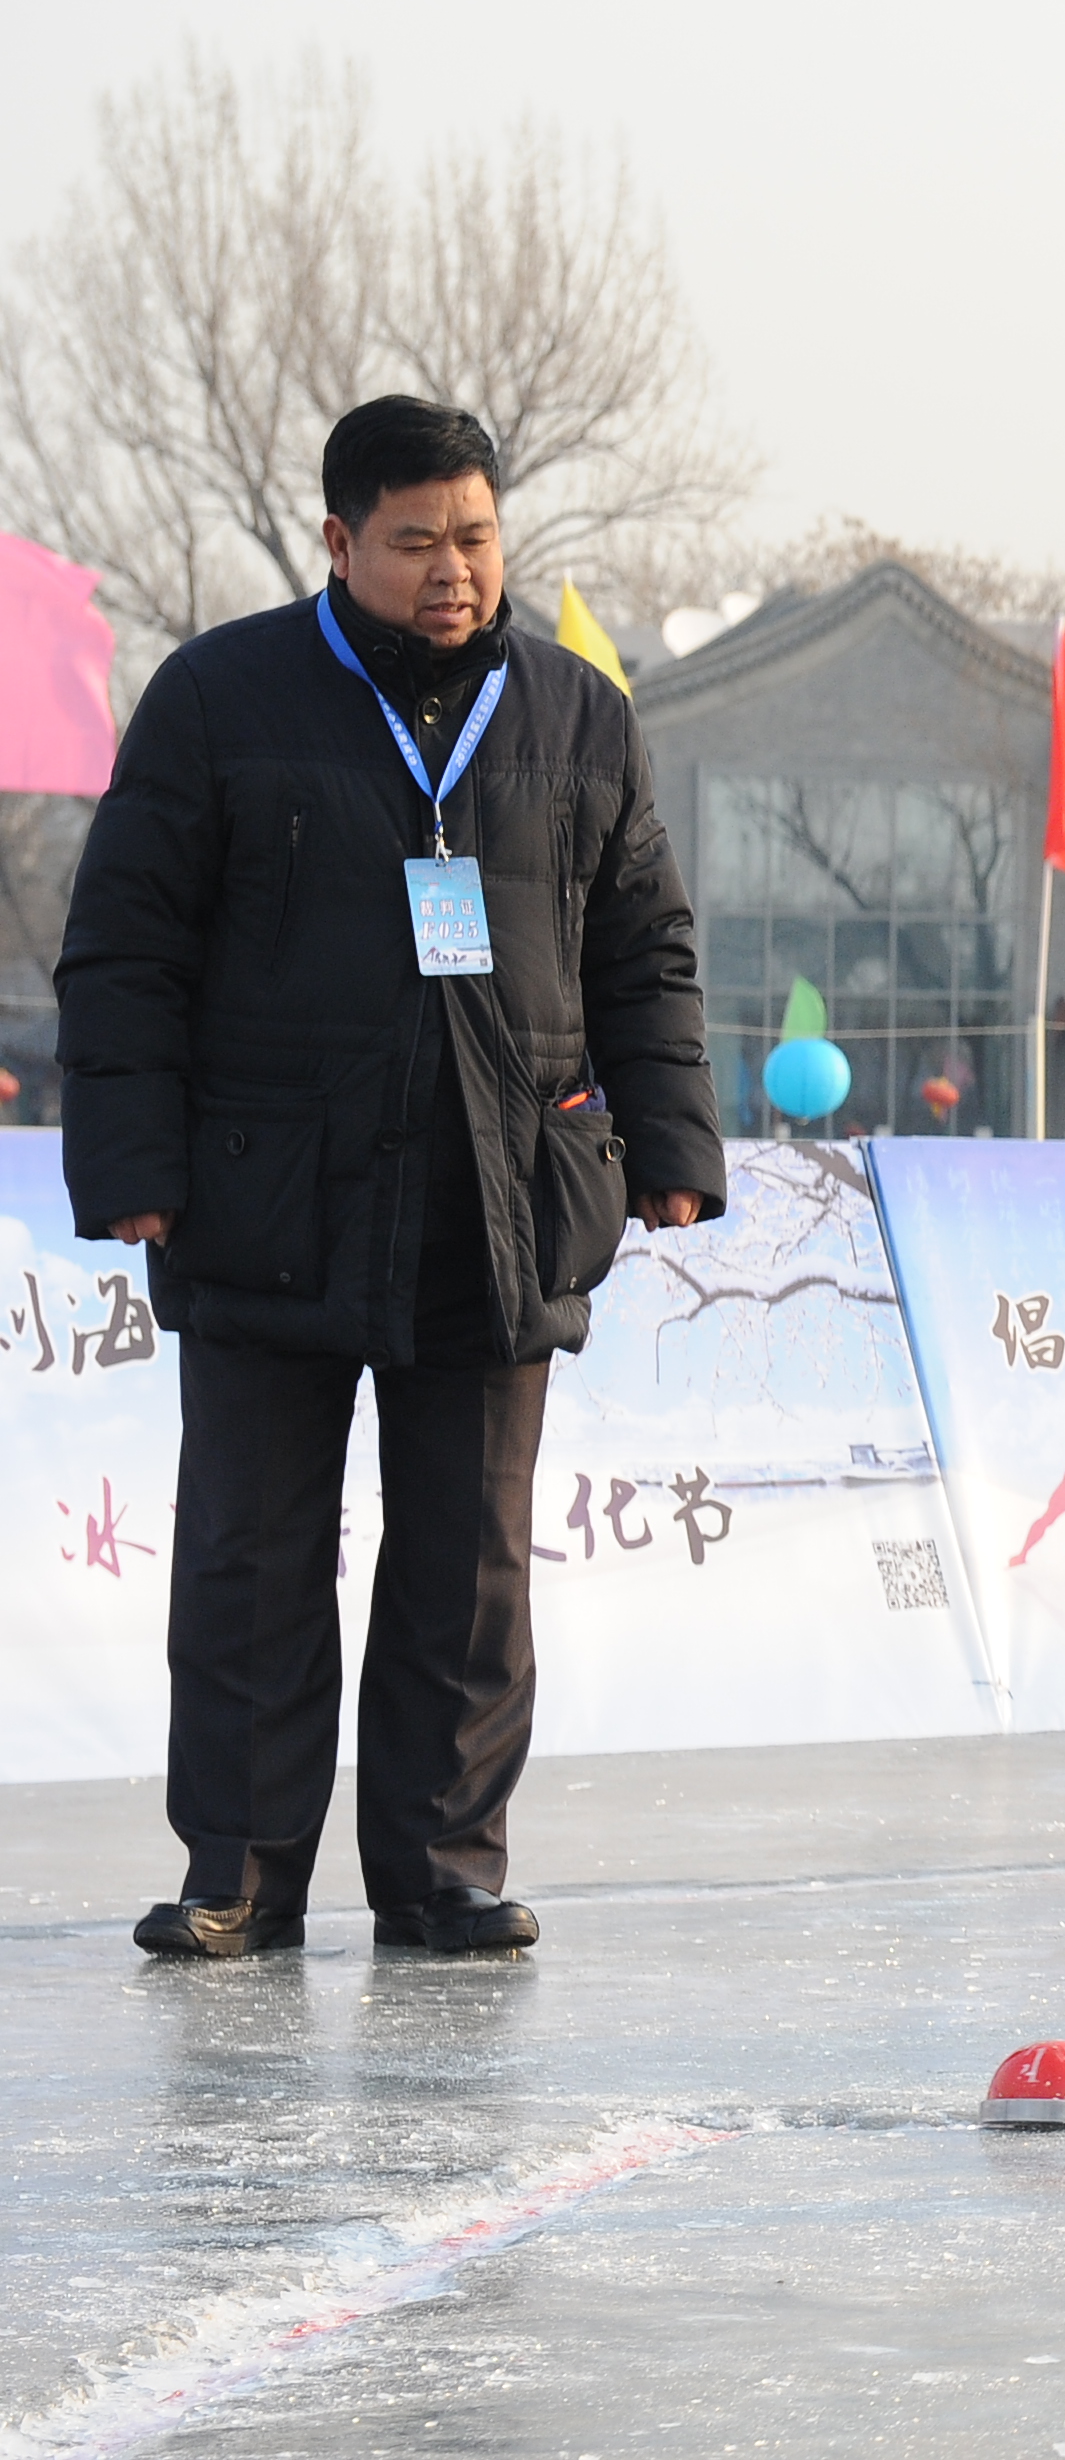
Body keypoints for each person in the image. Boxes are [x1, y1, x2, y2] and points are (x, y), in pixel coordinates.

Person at [59, 397, 722, 1958]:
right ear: (341, 542)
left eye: (477, 537)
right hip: (264, 1199)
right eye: (417, 540)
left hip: (496, 1204)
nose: (454, 570)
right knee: (251, 1552)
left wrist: (673, 1146)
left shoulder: (578, 714)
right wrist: (135, 1168)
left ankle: (444, 1871)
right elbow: (126, 949)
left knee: (470, 1566)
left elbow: (646, 947)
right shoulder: (219, 697)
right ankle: (239, 1870)